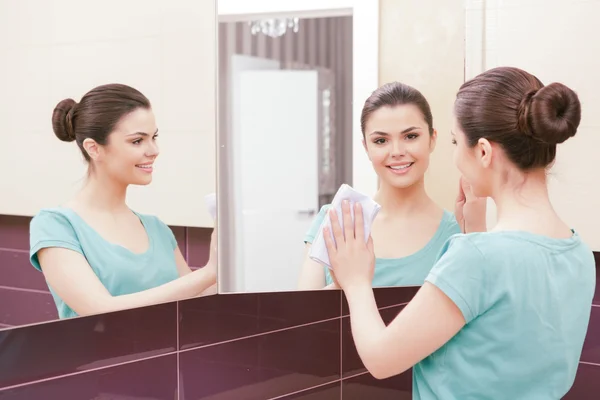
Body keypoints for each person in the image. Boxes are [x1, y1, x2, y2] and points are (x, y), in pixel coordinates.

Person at [324, 67, 596, 399]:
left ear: (483, 152)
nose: (454, 156)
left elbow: (381, 360)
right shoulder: (578, 252)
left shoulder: (475, 257)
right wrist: (475, 232)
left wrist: (355, 281)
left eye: (455, 141)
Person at [29, 83, 217, 319]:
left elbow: (199, 301)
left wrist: (230, 251)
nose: (154, 150)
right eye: (137, 141)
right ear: (94, 149)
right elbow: (98, 309)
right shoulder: (56, 226)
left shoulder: (156, 229)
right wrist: (209, 272)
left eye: (154, 137)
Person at [298, 82, 481, 290]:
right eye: (380, 141)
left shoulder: (458, 233)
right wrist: (343, 285)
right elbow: (303, 319)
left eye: (410, 136)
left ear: (432, 139)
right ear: (366, 147)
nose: (396, 151)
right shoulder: (334, 222)